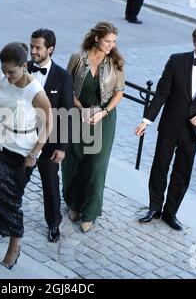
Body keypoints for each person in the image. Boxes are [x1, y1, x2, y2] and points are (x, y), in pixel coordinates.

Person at [136, 23, 196, 231]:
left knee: (182, 172)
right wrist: (146, 120)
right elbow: (161, 94)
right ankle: (154, 207)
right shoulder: (176, 61)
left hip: (193, 131)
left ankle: (170, 213)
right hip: (170, 126)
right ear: (195, 41)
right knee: (160, 167)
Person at [0, 42, 52, 269]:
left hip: (22, 151)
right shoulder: (2, 81)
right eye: (4, 70)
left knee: (11, 199)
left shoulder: (35, 92)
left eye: (12, 72)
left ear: (24, 66)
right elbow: (0, 104)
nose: (7, 76)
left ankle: (14, 244)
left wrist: (35, 153)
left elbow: (48, 123)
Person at [62, 22, 125, 233]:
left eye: (114, 41)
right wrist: (79, 107)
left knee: (96, 165)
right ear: (97, 38)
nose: (111, 45)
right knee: (75, 161)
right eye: (108, 41)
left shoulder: (116, 61)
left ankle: (90, 211)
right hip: (78, 114)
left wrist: (103, 113)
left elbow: (119, 92)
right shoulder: (77, 58)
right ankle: (73, 203)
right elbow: (67, 87)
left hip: (103, 118)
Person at [28, 29, 73, 243]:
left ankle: (53, 223)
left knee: (50, 184)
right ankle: (3, 219)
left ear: (50, 49)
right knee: (16, 180)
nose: (33, 51)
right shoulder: (23, 68)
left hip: (49, 142)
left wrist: (61, 147)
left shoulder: (63, 77)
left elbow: (66, 114)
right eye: (32, 46)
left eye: (38, 47)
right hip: (23, 138)